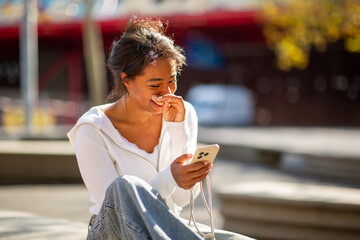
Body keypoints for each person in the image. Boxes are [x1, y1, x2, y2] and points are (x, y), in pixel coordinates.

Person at [68, 16, 254, 240]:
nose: (168, 93)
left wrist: (178, 133)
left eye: (172, 80)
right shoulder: (92, 128)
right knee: (124, 187)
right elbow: (118, 208)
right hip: (113, 232)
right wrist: (170, 178)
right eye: (155, 85)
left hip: (166, 227)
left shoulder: (184, 114)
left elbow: (182, 201)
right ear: (126, 81)